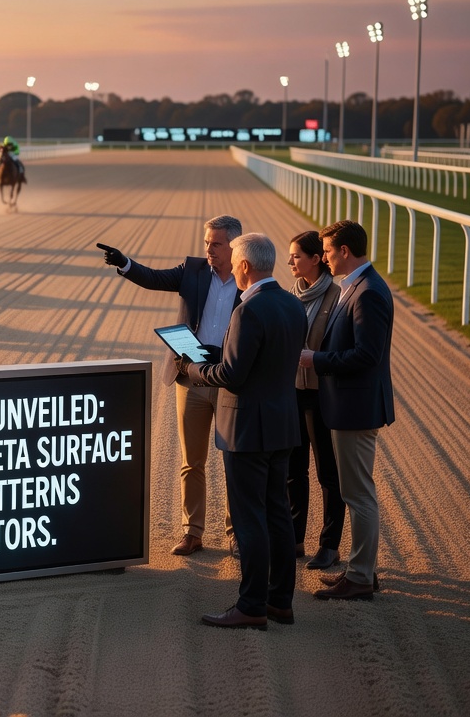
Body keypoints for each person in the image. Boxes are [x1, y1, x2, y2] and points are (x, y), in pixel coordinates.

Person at [97, 215, 243, 557]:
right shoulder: (192, 270)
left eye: (216, 244)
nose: (208, 249)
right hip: (190, 374)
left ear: (234, 246)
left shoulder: (249, 276)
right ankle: (192, 532)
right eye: (206, 242)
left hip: (230, 379)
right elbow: (154, 278)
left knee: (234, 461)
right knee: (192, 460)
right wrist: (125, 263)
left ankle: (237, 533)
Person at [180, 233, 305, 630]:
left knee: (250, 518)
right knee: (278, 516)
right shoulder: (291, 302)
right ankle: (280, 601)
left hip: (247, 429)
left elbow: (232, 375)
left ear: (246, 267)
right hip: (282, 424)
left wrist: (193, 368)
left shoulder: (247, 310)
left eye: (234, 262)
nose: (231, 268)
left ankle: (251, 604)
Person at [301, 219, 395, 600]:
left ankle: (358, 577)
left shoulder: (368, 291)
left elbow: (367, 355)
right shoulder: (355, 286)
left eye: (326, 250)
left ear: (344, 251)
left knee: (358, 494)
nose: (323, 257)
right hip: (350, 405)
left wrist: (316, 359)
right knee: (357, 492)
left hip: (355, 408)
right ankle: (362, 570)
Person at [286, 231, 345, 569]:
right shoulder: (291, 295)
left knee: (327, 474)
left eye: (296, 256)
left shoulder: (337, 297)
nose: (291, 262)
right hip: (292, 393)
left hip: (322, 397)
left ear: (316, 258)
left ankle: (329, 545)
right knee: (294, 470)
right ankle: (294, 539)